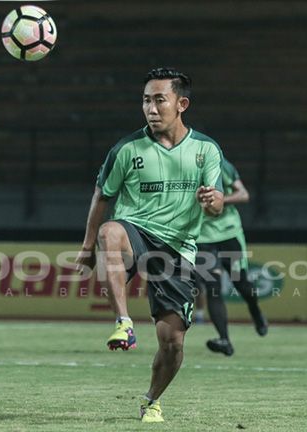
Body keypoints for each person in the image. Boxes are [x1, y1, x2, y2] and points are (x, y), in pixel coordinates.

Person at [75, 68, 224, 423]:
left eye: (160, 100)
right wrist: (86, 245)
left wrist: (212, 200)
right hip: (136, 232)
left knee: (172, 344)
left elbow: (217, 206)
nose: (151, 108)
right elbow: (102, 195)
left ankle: (151, 400)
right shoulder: (126, 150)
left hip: (177, 250)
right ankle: (123, 322)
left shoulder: (206, 150)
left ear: (181, 103)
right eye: (146, 100)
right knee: (110, 232)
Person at [196, 158, 268, 357]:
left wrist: (219, 201)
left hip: (228, 233)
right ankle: (224, 340)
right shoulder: (177, 170)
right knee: (213, 286)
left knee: (241, 282)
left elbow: (243, 194)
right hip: (201, 237)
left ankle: (255, 310)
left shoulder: (220, 165)